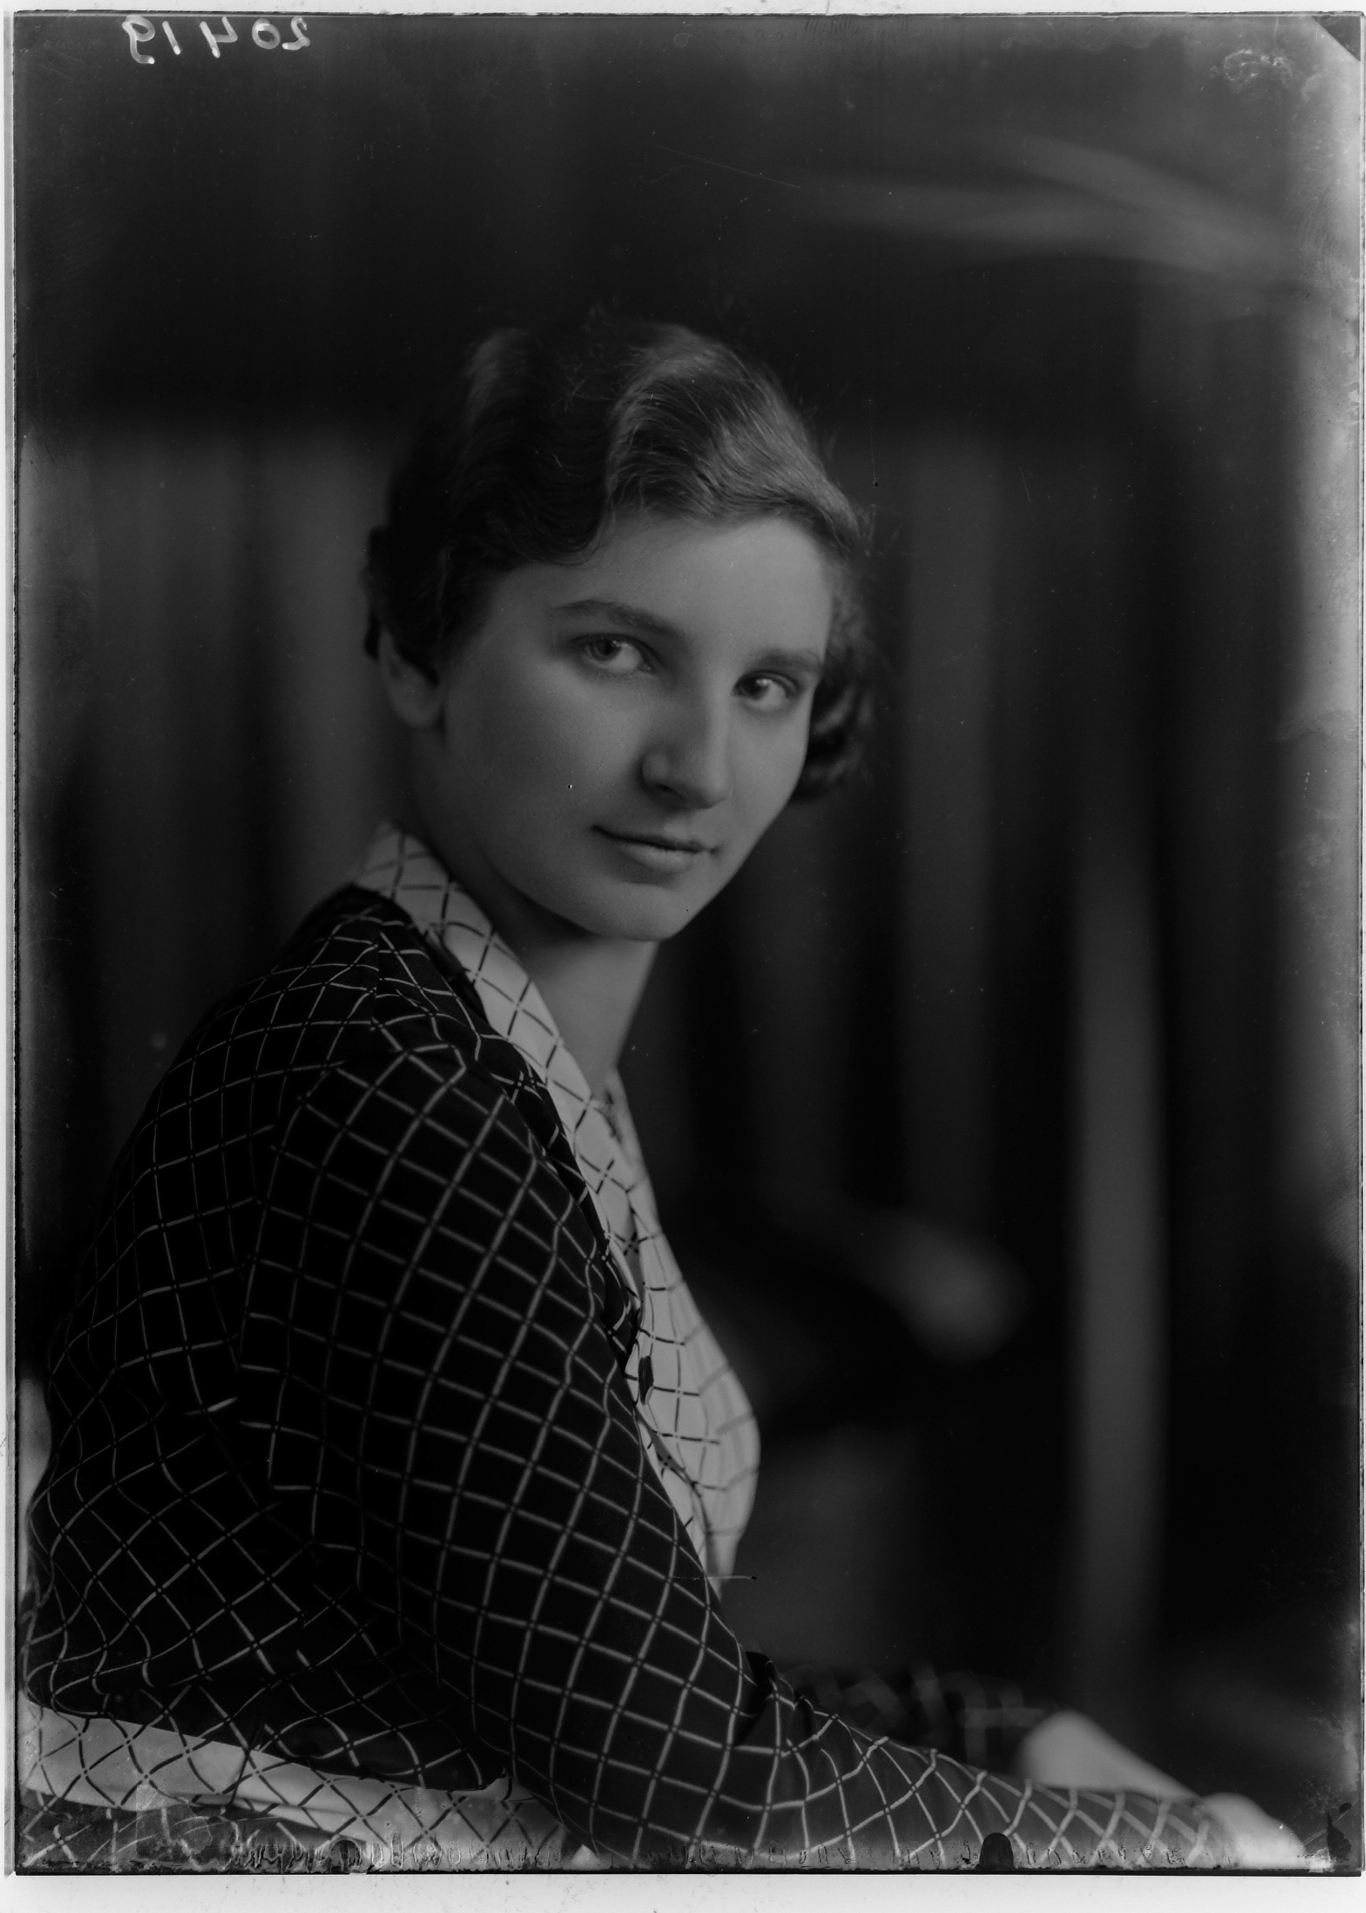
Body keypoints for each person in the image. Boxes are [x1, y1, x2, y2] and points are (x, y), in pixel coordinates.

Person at [19, 316, 1303, 1873]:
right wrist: (1163, 1849)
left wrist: (988, 1728)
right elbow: (683, 1780)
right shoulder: (372, 1065)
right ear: (415, 646)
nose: (697, 766)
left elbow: (607, 1670)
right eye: (615, 651)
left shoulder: (484, 1045)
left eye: (766, 684)